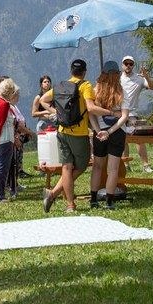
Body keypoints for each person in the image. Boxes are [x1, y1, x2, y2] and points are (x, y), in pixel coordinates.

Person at [42, 59, 96, 214]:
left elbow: (43, 100)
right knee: (81, 166)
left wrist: (58, 113)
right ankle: (52, 194)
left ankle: (70, 205)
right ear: (84, 72)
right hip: (79, 133)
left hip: (62, 131)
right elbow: (90, 107)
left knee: (66, 167)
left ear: (71, 71)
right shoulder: (85, 86)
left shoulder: (61, 86)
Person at [90, 61, 128, 210]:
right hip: (117, 132)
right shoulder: (121, 92)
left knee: (97, 166)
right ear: (117, 74)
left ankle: (93, 200)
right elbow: (124, 117)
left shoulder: (95, 91)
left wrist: (98, 130)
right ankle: (109, 202)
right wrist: (110, 131)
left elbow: (91, 113)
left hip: (99, 132)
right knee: (113, 169)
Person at [119, 56, 153, 172]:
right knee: (123, 140)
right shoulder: (118, 78)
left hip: (132, 113)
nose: (128, 66)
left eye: (131, 64)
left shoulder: (139, 78)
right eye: (126, 63)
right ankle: (126, 165)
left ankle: (146, 165)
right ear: (122, 65)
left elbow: (152, 87)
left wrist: (146, 76)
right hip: (119, 113)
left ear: (133, 65)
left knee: (139, 139)